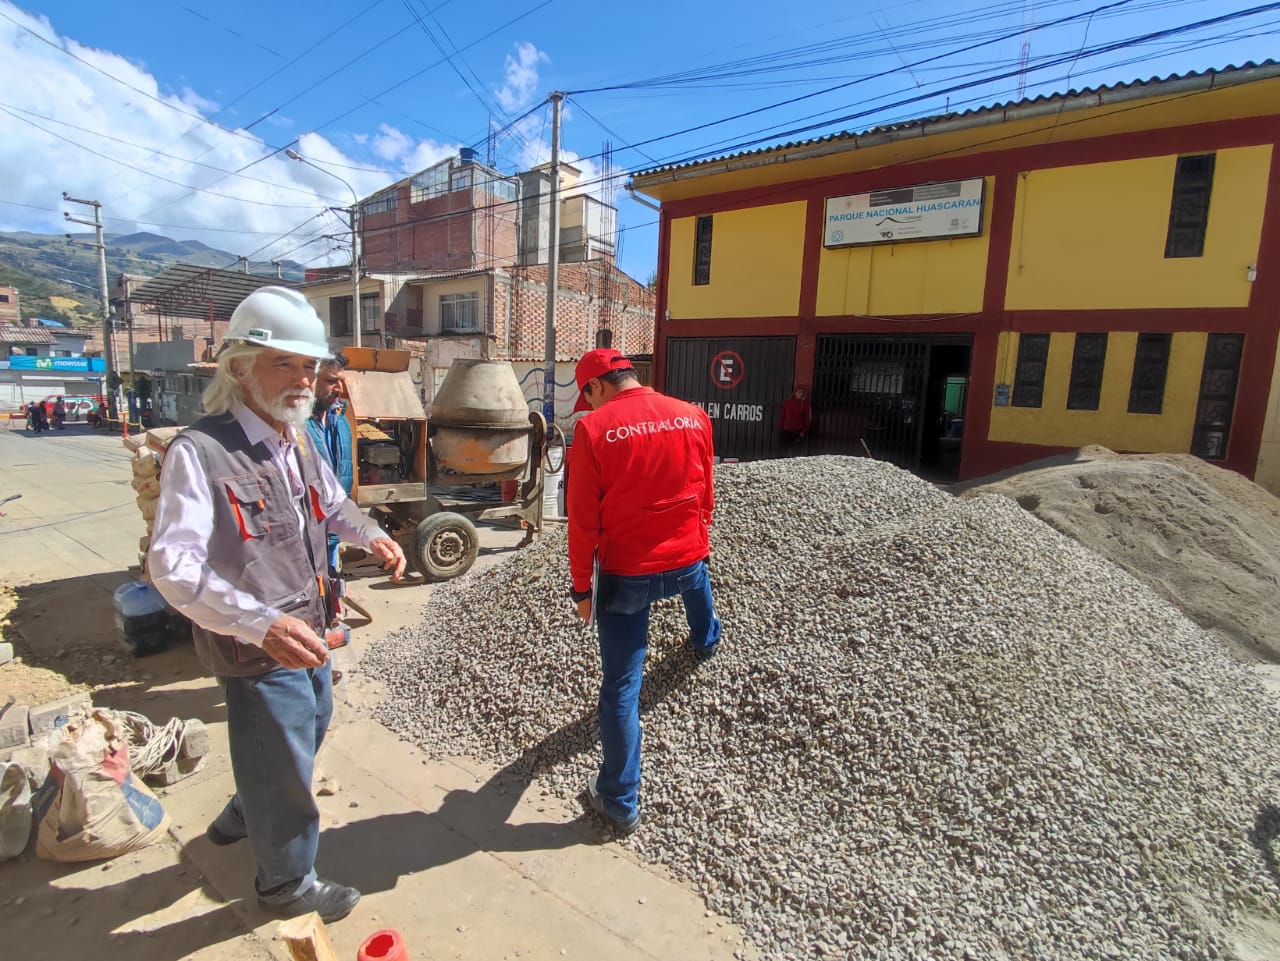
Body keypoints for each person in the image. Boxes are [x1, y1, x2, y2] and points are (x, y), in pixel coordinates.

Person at [149, 286, 406, 925]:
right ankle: (285, 883)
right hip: (259, 643)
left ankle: (247, 808)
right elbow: (172, 565)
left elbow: (331, 506)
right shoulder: (199, 451)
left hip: (312, 625)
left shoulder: (297, 439)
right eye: (284, 364)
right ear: (239, 368)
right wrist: (258, 624)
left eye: (309, 366)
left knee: (311, 727)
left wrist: (370, 533)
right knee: (287, 758)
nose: (303, 379)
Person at [566, 348, 721, 836]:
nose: (587, 408)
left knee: (620, 686)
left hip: (627, 573)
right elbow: (706, 487)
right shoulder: (693, 414)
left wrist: (581, 589)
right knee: (698, 588)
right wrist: (702, 535)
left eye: (585, 397)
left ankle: (618, 799)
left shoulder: (592, 432)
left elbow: (582, 523)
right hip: (687, 558)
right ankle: (707, 640)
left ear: (596, 387)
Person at [304, 353, 354, 575]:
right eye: (332, 381)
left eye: (341, 381)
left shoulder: (340, 419)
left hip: (332, 529)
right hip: (307, 535)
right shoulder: (295, 425)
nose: (340, 389)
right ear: (310, 380)